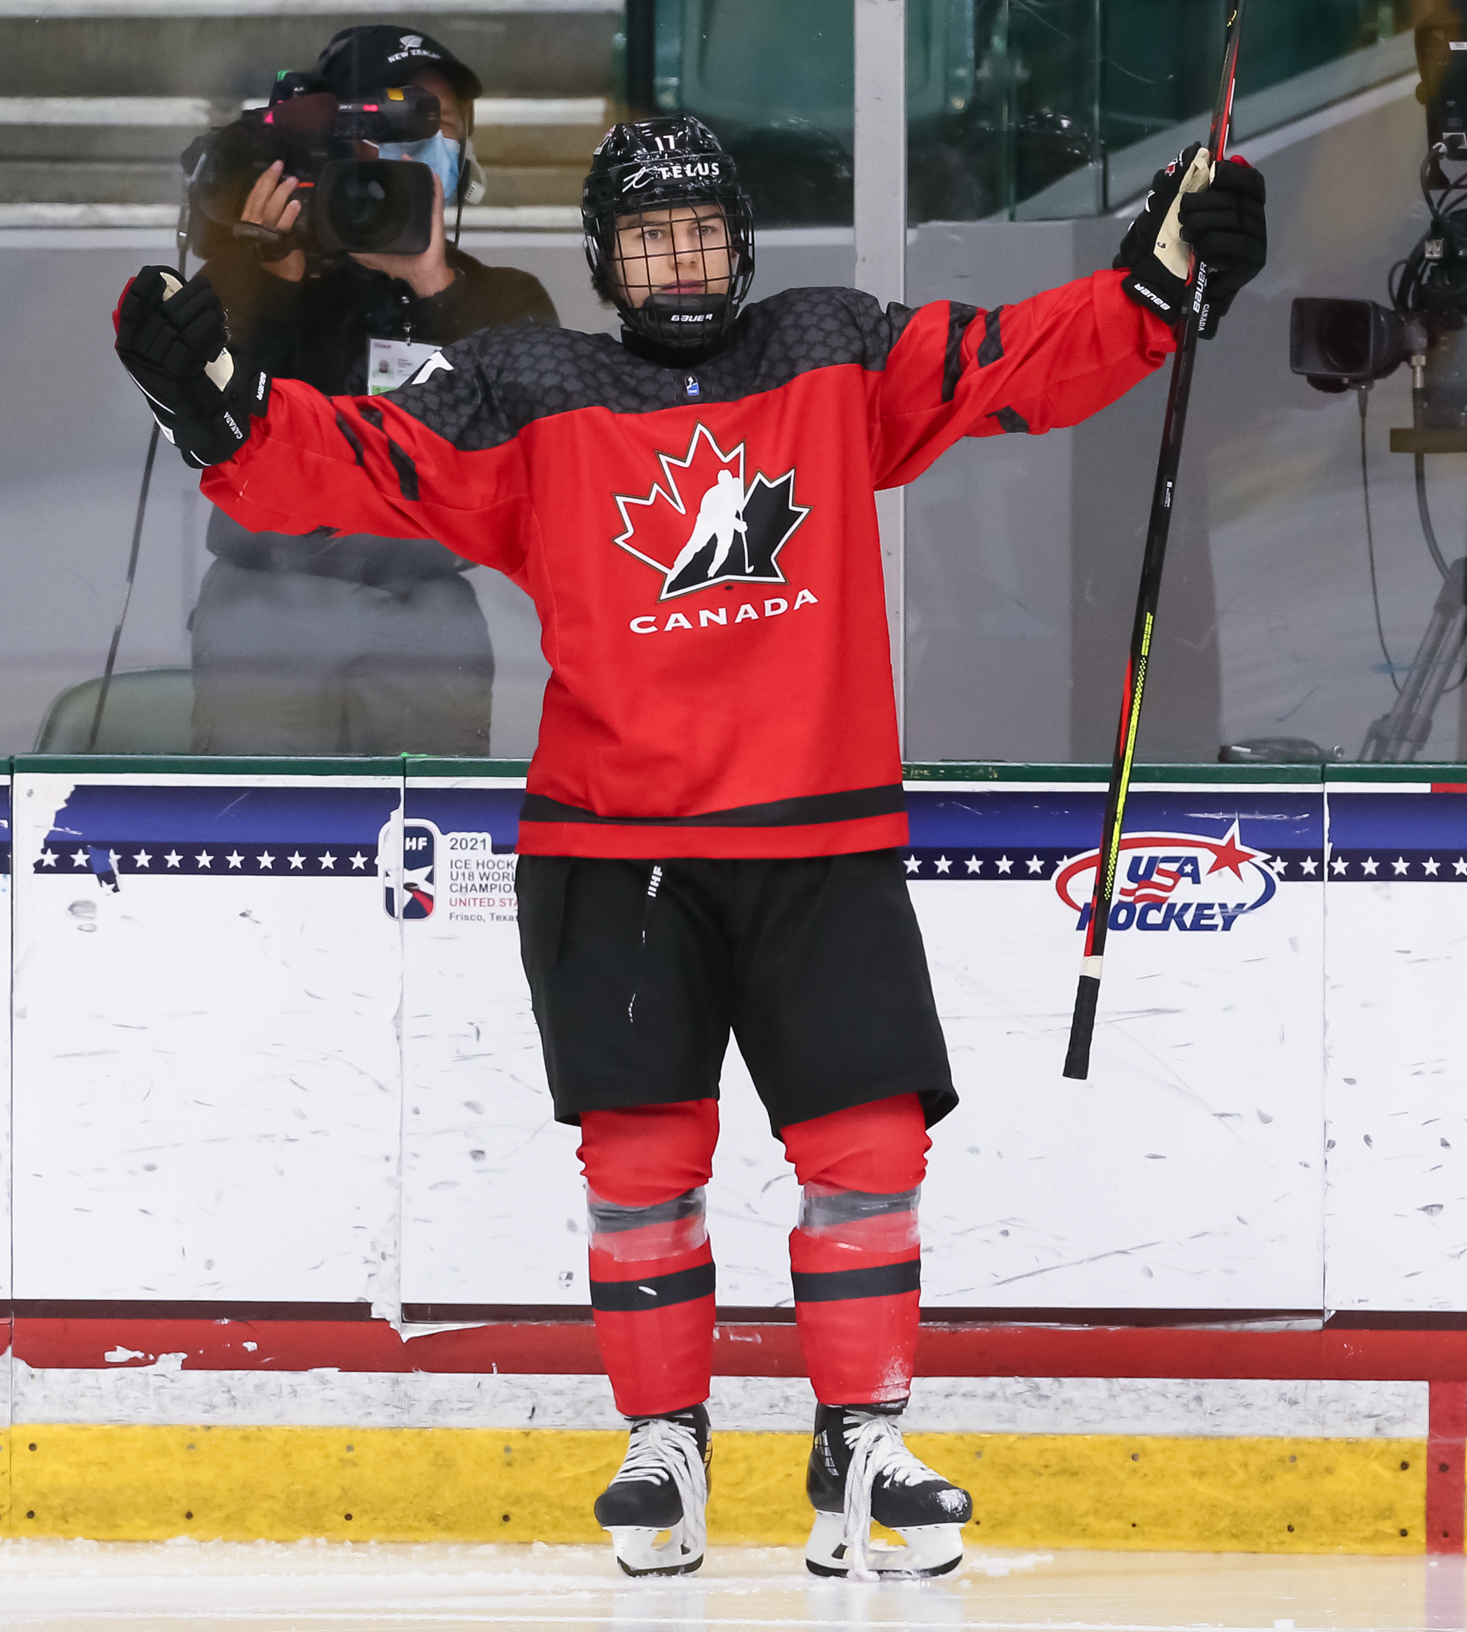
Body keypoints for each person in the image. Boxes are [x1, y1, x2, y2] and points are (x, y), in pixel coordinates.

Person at [112, 114, 1267, 1577]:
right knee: (641, 1163)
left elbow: (1007, 365)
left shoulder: (827, 352)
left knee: (867, 1151)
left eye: (701, 232)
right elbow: (358, 463)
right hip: (612, 847)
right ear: (604, 260)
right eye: (647, 238)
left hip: (818, 827)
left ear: (738, 242)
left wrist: (1154, 286)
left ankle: (862, 1438)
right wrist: (219, 408)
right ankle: (665, 1440)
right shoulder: (524, 385)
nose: (677, 261)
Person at [188, 23, 558, 756]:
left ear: (465, 155)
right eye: (380, 122)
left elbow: (520, 444)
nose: (409, 145)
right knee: (262, 840)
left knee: (429, 844)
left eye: (435, 126)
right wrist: (273, 276)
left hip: (424, 602)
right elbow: (211, 435)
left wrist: (431, 286)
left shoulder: (501, 297)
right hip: (266, 598)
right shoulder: (253, 275)